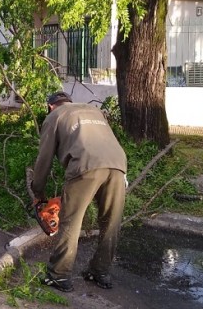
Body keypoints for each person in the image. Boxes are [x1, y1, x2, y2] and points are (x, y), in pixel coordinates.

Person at [31, 91, 127, 292]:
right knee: (111, 222)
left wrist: (37, 191)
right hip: (118, 164)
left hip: (85, 164)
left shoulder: (54, 116)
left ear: (50, 106)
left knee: (71, 221)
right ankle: (100, 272)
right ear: (68, 102)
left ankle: (59, 275)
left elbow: (44, 158)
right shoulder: (93, 111)